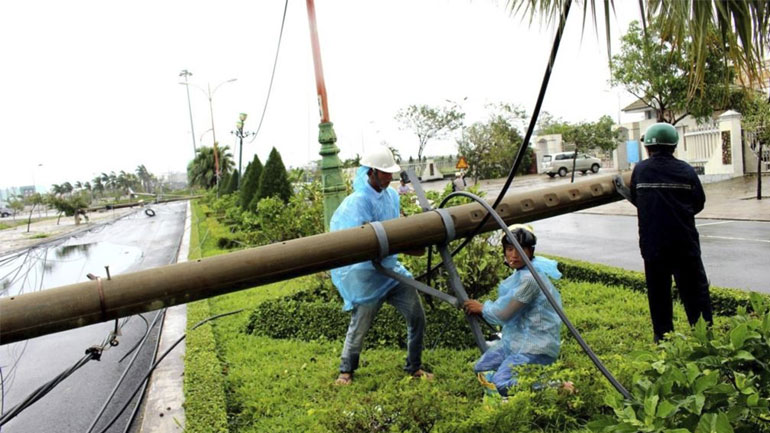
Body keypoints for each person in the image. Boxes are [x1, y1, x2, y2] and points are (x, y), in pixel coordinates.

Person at [330, 145, 432, 385]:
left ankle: (414, 366)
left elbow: (395, 227)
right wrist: (407, 247)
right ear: (371, 172)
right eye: (384, 173)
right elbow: (365, 241)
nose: (389, 177)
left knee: (417, 316)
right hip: (367, 274)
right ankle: (346, 371)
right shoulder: (357, 202)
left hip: (391, 271)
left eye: (390, 173)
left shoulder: (392, 196)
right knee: (360, 325)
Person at [630, 122, 713, 343]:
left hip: (653, 245)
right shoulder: (686, 170)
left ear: (648, 147)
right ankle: (705, 338)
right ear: (675, 145)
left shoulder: (640, 170)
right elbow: (699, 203)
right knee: (695, 293)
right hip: (684, 243)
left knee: (659, 295)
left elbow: (636, 200)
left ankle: (663, 339)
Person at [463, 225, 566, 396]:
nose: (514, 255)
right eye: (510, 249)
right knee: (481, 368)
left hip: (535, 347)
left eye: (521, 249)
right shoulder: (521, 273)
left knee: (502, 383)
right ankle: (512, 392)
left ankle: (554, 386)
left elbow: (504, 314)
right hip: (517, 342)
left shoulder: (530, 280)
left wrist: (482, 308)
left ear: (531, 251)